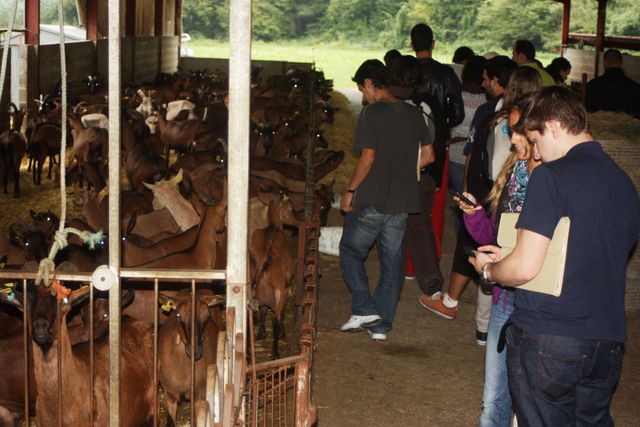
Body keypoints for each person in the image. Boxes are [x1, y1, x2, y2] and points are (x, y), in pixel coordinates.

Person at [470, 86, 640, 426]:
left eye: (535, 140)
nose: (536, 152)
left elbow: (523, 269)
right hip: (606, 343)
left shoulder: (551, 176)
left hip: (551, 339)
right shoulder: (624, 184)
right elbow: (587, 252)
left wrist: (490, 270)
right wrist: (513, 251)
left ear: (554, 126)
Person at [420, 57, 518, 347]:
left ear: (499, 81)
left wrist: (466, 189)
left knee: (477, 250)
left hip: (486, 194)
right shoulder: (519, 113)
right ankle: (485, 328)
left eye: (488, 78)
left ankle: (457, 306)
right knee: (496, 253)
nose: (484, 82)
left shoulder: (493, 112)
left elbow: (475, 154)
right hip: (501, 196)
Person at [339, 59, 435, 342]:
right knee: (392, 262)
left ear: (369, 82)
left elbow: (367, 158)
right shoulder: (414, 113)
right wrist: (405, 168)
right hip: (403, 202)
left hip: (372, 199)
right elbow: (429, 157)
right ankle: (381, 326)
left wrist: (350, 190)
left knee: (350, 252)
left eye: (361, 88)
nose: (362, 95)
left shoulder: (371, 113)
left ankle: (364, 308)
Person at [458, 98, 541, 426]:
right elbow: (494, 236)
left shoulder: (555, 178)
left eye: (518, 129)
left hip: (537, 303)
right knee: (493, 394)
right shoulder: (514, 169)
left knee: (531, 397)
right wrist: (476, 215)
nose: (513, 137)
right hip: (506, 299)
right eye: (510, 129)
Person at [409, 23, 465, 297]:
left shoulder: (406, 70)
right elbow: (458, 114)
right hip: (437, 146)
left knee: (407, 205)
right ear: (434, 43)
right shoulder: (446, 74)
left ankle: (409, 265)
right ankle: (433, 259)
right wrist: (440, 123)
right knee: (436, 205)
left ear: (411, 44)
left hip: (409, 148)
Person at [389, 55, 446, 303]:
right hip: (424, 177)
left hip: (405, 175)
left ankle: (392, 282)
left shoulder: (400, 108)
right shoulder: (430, 105)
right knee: (421, 227)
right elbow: (437, 142)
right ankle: (431, 281)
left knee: (394, 229)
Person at [586, 48, 640, 117]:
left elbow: (587, 111)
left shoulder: (592, 85)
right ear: (621, 63)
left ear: (604, 62)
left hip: (598, 126)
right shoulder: (635, 88)